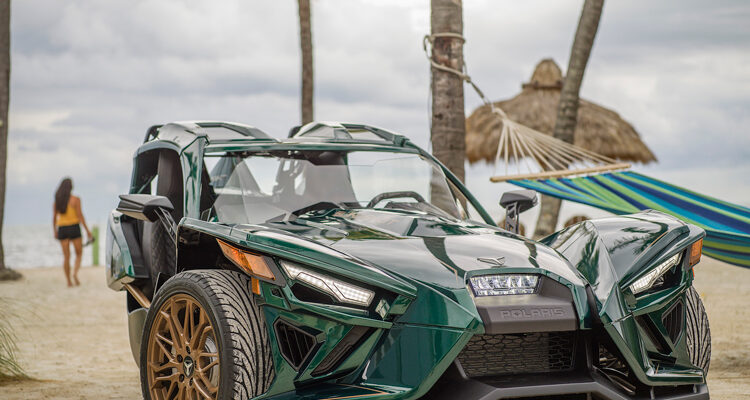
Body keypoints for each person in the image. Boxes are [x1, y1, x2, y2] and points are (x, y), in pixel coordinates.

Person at [53, 178, 92, 287]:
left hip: (62, 228)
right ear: (71, 187)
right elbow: (80, 216)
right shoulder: (76, 199)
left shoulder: (57, 202)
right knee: (79, 253)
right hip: (74, 227)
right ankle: (75, 273)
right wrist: (88, 231)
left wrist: (55, 231)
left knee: (66, 257)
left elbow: (54, 218)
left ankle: (68, 281)